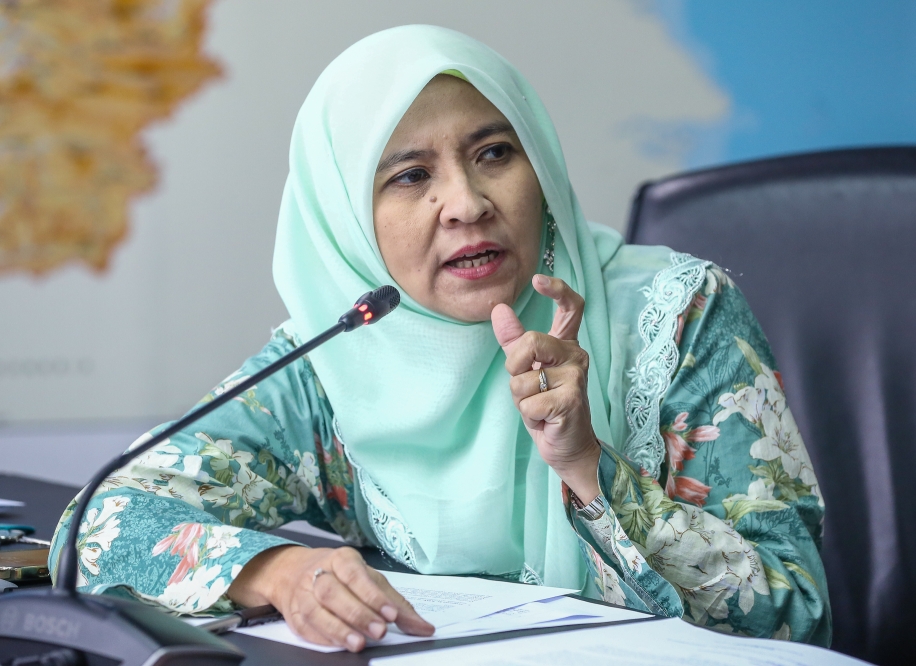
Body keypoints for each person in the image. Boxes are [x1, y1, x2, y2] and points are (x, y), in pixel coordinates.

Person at [49, 25, 830, 653]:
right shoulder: (334, 357)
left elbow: (795, 615)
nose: (465, 203)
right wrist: (277, 571)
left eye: (494, 153)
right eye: (409, 176)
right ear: (349, 225)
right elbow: (99, 525)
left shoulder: (680, 314)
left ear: (542, 169)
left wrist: (588, 465)